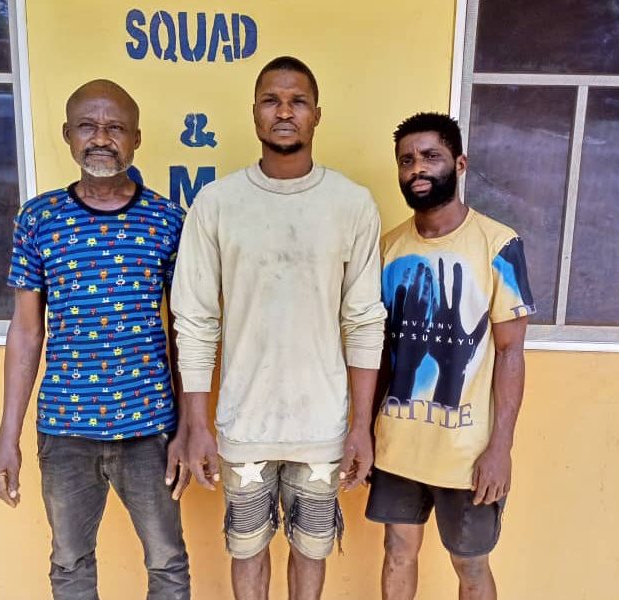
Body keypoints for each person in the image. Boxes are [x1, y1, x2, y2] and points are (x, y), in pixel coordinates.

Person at [170, 56, 386, 600]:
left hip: (322, 425)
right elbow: (195, 319)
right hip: (244, 424)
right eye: (272, 100)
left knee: (312, 552)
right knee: (246, 550)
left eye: (297, 101)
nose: (284, 112)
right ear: (254, 113)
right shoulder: (217, 203)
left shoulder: (352, 204)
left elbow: (364, 321)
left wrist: (361, 426)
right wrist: (196, 424)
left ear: (317, 115)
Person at [0, 79, 191, 600]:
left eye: (115, 127)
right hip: (65, 431)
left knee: (168, 563)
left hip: (150, 430)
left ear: (136, 139)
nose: (101, 138)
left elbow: (185, 331)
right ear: (67, 135)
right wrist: (7, 436)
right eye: (88, 126)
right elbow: (26, 331)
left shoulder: (168, 221)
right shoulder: (39, 219)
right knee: (70, 564)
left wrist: (189, 428)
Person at [366, 113, 535, 600]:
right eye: (406, 160)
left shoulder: (499, 245)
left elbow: (511, 352)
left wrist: (500, 449)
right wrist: (366, 431)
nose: (417, 168)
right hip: (398, 443)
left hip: (467, 452)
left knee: (471, 564)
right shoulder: (388, 248)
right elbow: (378, 353)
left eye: (430, 156)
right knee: (398, 551)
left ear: (459, 164)